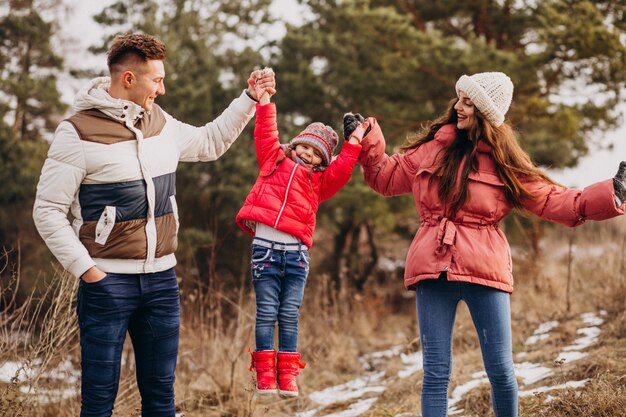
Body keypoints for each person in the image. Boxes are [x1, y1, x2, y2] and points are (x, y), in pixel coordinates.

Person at [32, 33, 275, 417]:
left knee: (161, 396)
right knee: (98, 400)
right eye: (156, 80)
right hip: (106, 284)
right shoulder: (76, 132)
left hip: (162, 282)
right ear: (128, 78)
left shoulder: (159, 122)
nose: (162, 89)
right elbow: (47, 210)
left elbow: (210, 142)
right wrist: (89, 271)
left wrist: (248, 99)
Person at [358, 71, 626, 417]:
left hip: (485, 270)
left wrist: (611, 193)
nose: (459, 107)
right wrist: (368, 140)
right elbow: (385, 176)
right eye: (460, 98)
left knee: (500, 370)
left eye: (469, 102)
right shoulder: (434, 148)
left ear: (485, 113)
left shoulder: (505, 162)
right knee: (436, 374)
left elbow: (555, 200)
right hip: (432, 268)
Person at [235, 68, 368, 397]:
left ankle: (288, 376)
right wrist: (265, 100)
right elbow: (266, 131)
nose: (308, 155)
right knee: (267, 312)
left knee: (289, 314)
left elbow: (341, 169)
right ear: (295, 145)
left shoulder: (319, 183)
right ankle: (265, 375)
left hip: (296, 256)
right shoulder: (273, 161)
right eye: (305, 148)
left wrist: (353, 142)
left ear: (321, 161)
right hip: (265, 251)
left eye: (316, 154)